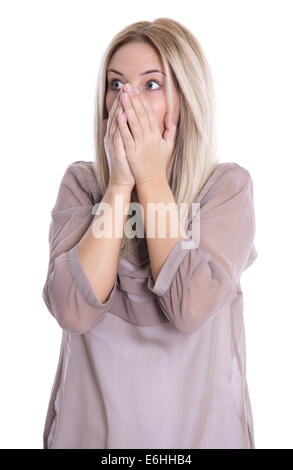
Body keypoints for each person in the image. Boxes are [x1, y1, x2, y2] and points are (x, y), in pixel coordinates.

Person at [42, 17, 258, 449]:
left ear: (186, 98)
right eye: (116, 84)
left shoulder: (226, 190)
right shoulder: (82, 186)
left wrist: (152, 179)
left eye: (151, 85)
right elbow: (72, 311)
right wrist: (121, 185)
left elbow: (189, 306)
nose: (127, 101)